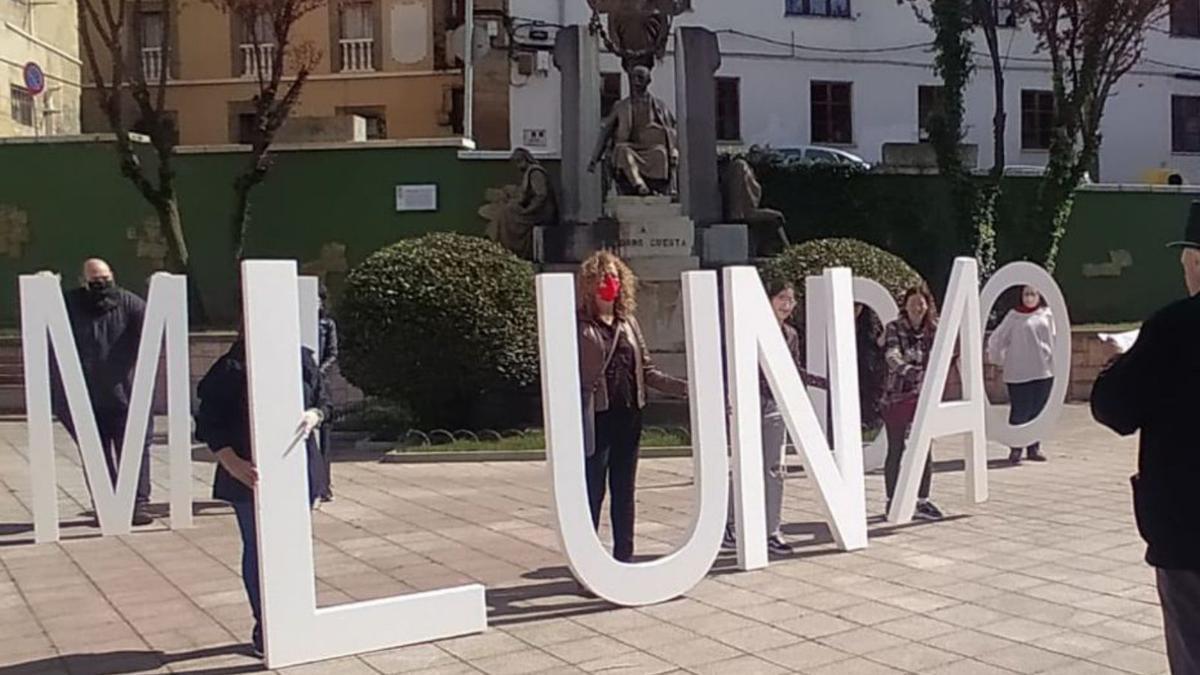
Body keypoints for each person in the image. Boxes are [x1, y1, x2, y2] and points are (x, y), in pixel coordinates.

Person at [1091, 202, 1200, 674]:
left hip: (1188, 532)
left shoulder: (1172, 327)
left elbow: (1114, 410)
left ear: (1197, 263)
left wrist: (1118, 363)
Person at [194, 335, 330, 658]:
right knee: (258, 549)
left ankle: (294, 621)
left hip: (297, 471)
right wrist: (230, 461)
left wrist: (315, 415)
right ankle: (264, 624)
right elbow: (209, 422)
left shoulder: (301, 359)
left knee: (293, 548)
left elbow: (324, 402)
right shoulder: (231, 367)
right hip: (247, 473)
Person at [577, 250, 687, 563]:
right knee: (592, 490)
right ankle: (588, 560)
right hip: (596, 417)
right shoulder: (579, 324)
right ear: (588, 283)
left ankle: (624, 557)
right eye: (601, 276)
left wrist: (685, 389)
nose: (607, 282)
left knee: (624, 490)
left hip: (629, 415)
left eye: (613, 275)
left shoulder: (629, 323)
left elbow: (648, 371)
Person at [721, 279, 826, 555]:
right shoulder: (750, 328)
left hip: (775, 406)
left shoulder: (791, 335)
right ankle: (729, 525)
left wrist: (822, 382)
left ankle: (771, 529)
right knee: (743, 464)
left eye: (791, 300)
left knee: (775, 469)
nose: (787, 305)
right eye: (781, 298)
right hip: (749, 402)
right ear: (767, 299)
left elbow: (792, 370)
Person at [52, 258, 153, 527]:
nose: (101, 285)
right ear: (83, 281)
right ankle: (105, 504)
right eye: (95, 280)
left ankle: (138, 504)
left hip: (125, 395)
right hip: (84, 397)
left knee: (134, 450)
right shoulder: (69, 305)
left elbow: (152, 333)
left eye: (105, 279)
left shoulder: (130, 304)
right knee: (95, 453)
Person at [881, 285, 945, 521]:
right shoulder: (894, 328)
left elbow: (947, 352)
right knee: (896, 448)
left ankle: (922, 500)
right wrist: (911, 371)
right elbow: (891, 355)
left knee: (924, 449)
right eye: (912, 303)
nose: (917, 308)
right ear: (905, 306)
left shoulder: (934, 330)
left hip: (923, 398)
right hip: (897, 396)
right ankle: (892, 500)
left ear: (928, 306)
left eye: (921, 303)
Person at [987, 285, 1055, 464]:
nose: (1029, 297)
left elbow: (1055, 339)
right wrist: (997, 358)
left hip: (1042, 371)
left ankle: (1034, 447)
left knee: (1037, 410)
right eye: (1026, 294)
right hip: (1018, 372)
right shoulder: (1014, 316)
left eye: (1033, 293)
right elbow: (998, 338)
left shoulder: (1047, 315)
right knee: (1020, 410)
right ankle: (1016, 448)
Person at [588, 65, 678, 197]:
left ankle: (656, 189)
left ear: (648, 81)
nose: (636, 81)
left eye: (640, 78)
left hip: (650, 148)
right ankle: (639, 184)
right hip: (629, 146)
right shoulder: (621, 106)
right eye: (633, 78)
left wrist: (673, 149)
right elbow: (605, 131)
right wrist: (594, 159)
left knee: (660, 153)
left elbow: (671, 129)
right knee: (622, 151)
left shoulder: (659, 106)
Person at [723, 151, 790, 258]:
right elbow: (737, 191)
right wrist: (737, 213)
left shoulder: (742, 167)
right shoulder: (740, 166)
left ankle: (778, 248)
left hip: (743, 211)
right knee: (777, 217)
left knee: (772, 217)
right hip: (742, 212)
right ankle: (784, 249)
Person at [317, 284, 338, 502]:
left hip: (321, 384)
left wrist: (319, 371)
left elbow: (333, 353)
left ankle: (324, 484)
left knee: (324, 437)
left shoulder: (327, 325)